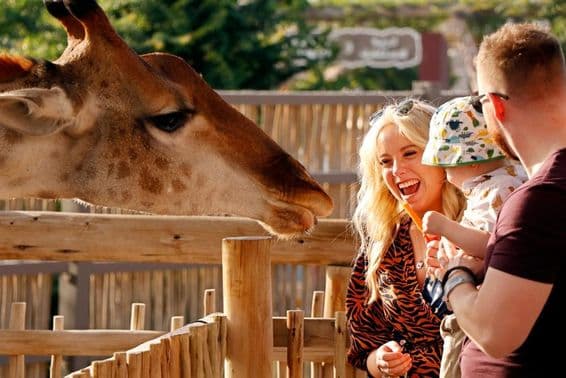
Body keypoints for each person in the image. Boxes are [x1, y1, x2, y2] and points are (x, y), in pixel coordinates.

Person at [439, 22, 566, 377]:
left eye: (480, 103)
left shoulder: (541, 199)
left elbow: (494, 334)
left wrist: (455, 277)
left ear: (495, 104)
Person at [346, 98, 466, 377]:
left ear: (440, 153)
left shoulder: (479, 226)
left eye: (410, 153)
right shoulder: (384, 243)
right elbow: (363, 347)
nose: (396, 171)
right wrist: (382, 360)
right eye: (385, 162)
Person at [419, 96, 528, 378]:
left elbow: (489, 244)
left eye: (448, 163)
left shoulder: (497, 189)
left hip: (478, 306)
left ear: (473, 162)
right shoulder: (508, 178)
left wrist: (444, 227)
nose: (445, 172)